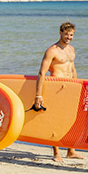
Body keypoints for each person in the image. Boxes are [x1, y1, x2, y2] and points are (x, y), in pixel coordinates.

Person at [32, 21, 83, 162]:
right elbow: (42, 73)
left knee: (71, 119)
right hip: (57, 88)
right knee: (56, 120)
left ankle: (71, 150)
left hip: (70, 87)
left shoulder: (71, 49)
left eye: (71, 35)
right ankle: (56, 152)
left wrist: (77, 86)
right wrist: (38, 95)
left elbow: (72, 69)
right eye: (66, 34)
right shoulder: (52, 51)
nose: (69, 37)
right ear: (60, 33)